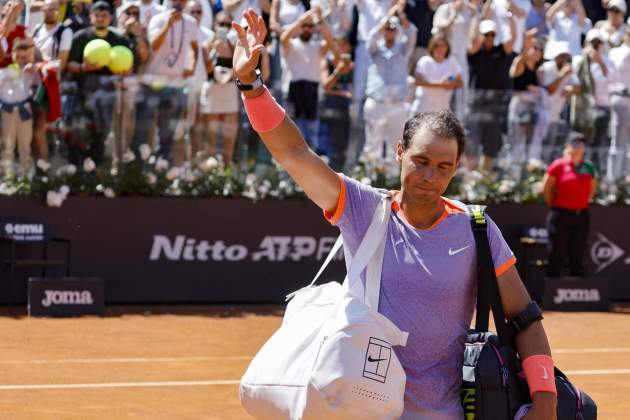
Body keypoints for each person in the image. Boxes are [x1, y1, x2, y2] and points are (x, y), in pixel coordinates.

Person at [233, 9, 558, 419]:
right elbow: (293, 152)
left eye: (443, 167)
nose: (429, 176)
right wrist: (251, 85)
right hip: (362, 411)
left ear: (456, 168)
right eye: (420, 160)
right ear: (400, 152)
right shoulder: (364, 209)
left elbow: (524, 316)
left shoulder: (476, 228)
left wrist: (545, 400)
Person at [66, 0, 132, 164]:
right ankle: (77, 170)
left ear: (111, 17)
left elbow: (129, 68)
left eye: (104, 15)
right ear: (91, 17)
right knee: (79, 129)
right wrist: (83, 67)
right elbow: (69, 64)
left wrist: (123, 72)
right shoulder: (81, 37)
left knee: (101, 131)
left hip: (107, 91)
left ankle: (97, 173)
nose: (100, 19)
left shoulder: (119, 39)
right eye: (97, 15)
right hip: (83, 89)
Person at [131, 0, 198, 160]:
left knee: (167, 132)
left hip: (175, 84)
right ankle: (137, 167)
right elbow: (153, 45)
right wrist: (168, 24)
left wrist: (192, 66)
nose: (178, 2)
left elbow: (194, 46)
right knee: (143, 129)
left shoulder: (191, 22)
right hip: (152, 82)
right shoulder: (158, 19)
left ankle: (161, 169)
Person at [362, 2, 417, 175]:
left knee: (397, 143)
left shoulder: (402, 50)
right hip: (376, 102)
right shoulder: (375, 49)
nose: (390, 30)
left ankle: (393, 179)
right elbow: (370, 37)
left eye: (393, 28)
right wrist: (385, 20)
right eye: (388, 28)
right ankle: (372, 178)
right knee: (373, 144)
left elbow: (412, 32)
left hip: (397, 104)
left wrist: (400, 15)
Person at [281, 7, 337, 151]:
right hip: (294, 90)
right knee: (291, 130)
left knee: (311, 133)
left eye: (310, 27)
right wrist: (300, 20)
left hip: (311, 91)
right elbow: (284, 38)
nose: (306, 29)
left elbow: (330, 42)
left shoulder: (317, 46)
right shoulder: (292, 45)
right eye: (304, 27)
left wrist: (320, 20)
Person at [542, 134, 597, 277]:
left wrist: (580, 203)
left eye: (581, 142)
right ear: (567, 146)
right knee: (557, 252)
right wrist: (556, 205)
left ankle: (576, 289)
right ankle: (552, 290)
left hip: (581, 215)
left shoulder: (589, 166)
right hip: (560, 214)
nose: (578, 145)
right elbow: (547, 189)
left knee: (578, 253)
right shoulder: (558, 165)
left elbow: (592, 189)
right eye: (575, 142)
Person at [466, 17, 515, 172]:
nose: (489, 38)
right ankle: (470, 175)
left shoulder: (500, 51)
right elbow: (472, 39)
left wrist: (511, 19)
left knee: (492, 142)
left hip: (495, 106)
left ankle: (484, 176)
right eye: (486, 35)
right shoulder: (475, 52)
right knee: (472, 141)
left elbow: (513, 38)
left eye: (492, 35)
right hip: (476, 105)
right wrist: (475, 17)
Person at [200, 11, 240, 164]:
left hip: (229, 92)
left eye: (228, 25)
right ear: (214, 25)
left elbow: (238, 74)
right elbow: (208, 70)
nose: (224, 28)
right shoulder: (206, 45)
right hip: (212, 91)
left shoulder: (235, 46)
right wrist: (214, 51)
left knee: (229, 136)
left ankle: (226, 172)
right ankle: (211, 173)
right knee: (211, 135)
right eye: (221, 24)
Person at [506, 29, 546, 178]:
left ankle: (526, 180)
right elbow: (515, 70)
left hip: (532, 111)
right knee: (516, 145)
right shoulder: (520, 62)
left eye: (540, 49)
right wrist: (526, 42)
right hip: (519, 109)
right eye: (534, 48)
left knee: (530, 147)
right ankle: (512, 179)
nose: (537, 51)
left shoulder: (538, 70)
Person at [0, 37, 40, 177]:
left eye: (24, 56)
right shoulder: (4, 71)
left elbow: (39, 87)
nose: (20, 59)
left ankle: (26, 178)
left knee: (25, 145)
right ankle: (7, 177)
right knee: (7, 146)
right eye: (18, 55)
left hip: (25, 111)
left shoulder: (31, 71)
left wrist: (34, 68)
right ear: (12, 54)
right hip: (7, 111)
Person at [539, 41, 579, 161]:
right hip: (541, 115)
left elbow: (578, 88)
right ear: (556, 57)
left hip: (555, 115)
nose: (564, 59)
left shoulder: (568, 69)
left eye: (567, 56)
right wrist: (562, 75)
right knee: (538, 147)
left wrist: (571, 89)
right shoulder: (547, 68)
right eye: (562, 56)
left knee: (549, 148)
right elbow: (549, 90)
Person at [411, 33, 463, 115]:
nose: (440, 48)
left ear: (447, 47)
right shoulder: (425, 61)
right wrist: (441, 84)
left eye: (442, 45)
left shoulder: (452, 61)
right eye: (436, 46)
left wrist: (451, 84)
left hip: (442, 112)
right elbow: (418, 81)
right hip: (423, 111)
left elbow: (460, 83)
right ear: (432, 47)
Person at [606, 26, 630, 181]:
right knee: (617, 144)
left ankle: (627, 183)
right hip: (620, 99)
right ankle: (613, 183)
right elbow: (615, 72)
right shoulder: (616, 52)